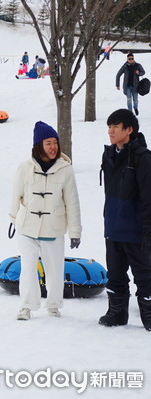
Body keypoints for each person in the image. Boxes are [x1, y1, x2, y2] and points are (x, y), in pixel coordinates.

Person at [8, 122, 82, 321]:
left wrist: (75, 232)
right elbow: (16, 194)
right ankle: (27, 306)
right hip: (27, 227)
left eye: (55, 143)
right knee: (28, 268)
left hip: (53, 228)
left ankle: (54, 305)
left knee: (55, 269)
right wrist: (13, 218)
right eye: (48, 143)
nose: (53, 147)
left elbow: (72, 202)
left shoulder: (65, 169)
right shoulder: (25, 168)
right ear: (39, 145)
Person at [99, 109, 151, 331]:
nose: (110, 131)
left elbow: (149, 198)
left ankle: (148, 316)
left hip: (136, 229)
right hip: (113, 227)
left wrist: (148, 231)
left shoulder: (143, 158)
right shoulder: (109, 155)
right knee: (115, 274)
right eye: (109, 126)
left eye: (116, 127)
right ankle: (117, 313)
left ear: (129, 130)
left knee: (144, 276)